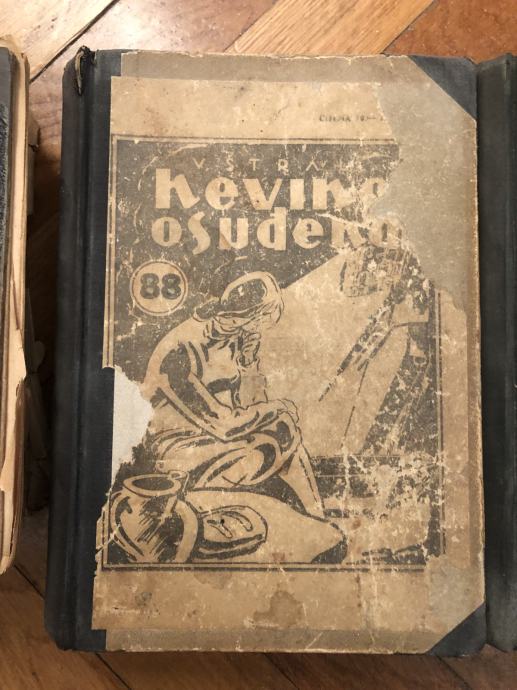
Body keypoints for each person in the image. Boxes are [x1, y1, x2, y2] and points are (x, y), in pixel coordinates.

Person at [141, 271, 325, 519]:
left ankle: (317, 518)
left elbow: (252, 407)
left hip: (217, 439)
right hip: (176, 448)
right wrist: (277, 408)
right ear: (246, 317)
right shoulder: (179, 350)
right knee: (269, 440)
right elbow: (224, 425)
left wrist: (248, 366)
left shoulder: (233, 341)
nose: (259, 330)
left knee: (283, 429)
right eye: (260, 321)